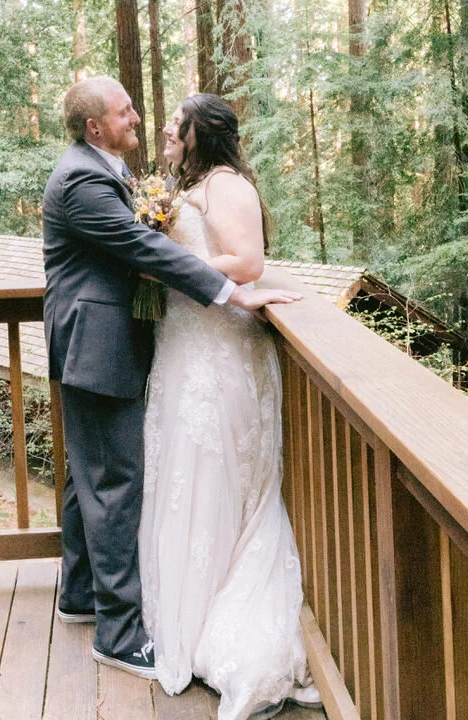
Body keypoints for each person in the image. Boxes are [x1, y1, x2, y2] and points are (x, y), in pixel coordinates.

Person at [42, 77, 302, 681]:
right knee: (112, 485)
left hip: (103, 345)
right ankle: (118, 635)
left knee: (90, 478)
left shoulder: (102, 169)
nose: (138, 117)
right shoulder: (83, 179)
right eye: (124, 111)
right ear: (95, 127)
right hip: (97, 347)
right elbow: (141, 248)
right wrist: (231, 292)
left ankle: (79, 594)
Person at [139, 93, 323, 720]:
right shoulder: (189, 187)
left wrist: (164, 264)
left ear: (201, 133)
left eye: (177, 123)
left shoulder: (228, 186)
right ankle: (184, 620)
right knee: (182, 477)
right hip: (183, 348)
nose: (167, 129)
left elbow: (247, 264)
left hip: (218, 355)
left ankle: (225, 627)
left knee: (217, 477)